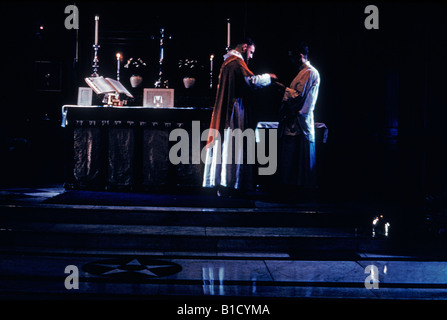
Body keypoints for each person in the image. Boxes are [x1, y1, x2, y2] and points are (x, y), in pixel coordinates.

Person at [202, 37, 277, 196]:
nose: (251, 56)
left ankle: (222, 182)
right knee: (233, 143)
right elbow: (250, 81)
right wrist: (268, 77)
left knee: (227, 143)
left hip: (229, 107)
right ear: (244, 47)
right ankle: (229, 183)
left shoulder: (227, 62)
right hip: (234, 110)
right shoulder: (236, 62)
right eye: (251, 52)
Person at [278, 42, 320, 189]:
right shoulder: (301, 72)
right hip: (294, 120)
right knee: (291, 160)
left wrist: (283, 89)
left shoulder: (309, 72)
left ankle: (301, 189)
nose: (291, 61)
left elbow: (298, 97)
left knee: (298, 160)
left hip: (300, 122)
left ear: (300, 56)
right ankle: (293, 187)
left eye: (293, 57)